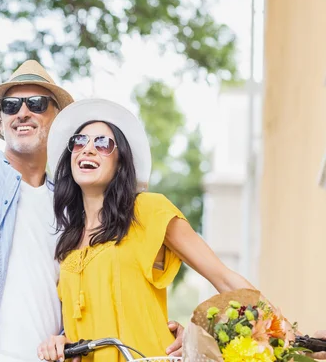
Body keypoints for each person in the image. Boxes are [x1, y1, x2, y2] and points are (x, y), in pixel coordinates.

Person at [0, 3, 185, 362]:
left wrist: (166, 328)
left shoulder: (73, 201)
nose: (22, 112)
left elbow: (104, 280)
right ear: (2, 120)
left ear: (57, 119)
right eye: (11, 105)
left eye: (36, 103)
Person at [37, 98, 262, 361]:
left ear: (120, 162)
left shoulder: (147, 210)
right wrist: (60, 340)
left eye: (102, 143)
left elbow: (223, 278)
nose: (88, 149)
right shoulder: (67, 244)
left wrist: (284, 335)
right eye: (79, 141)